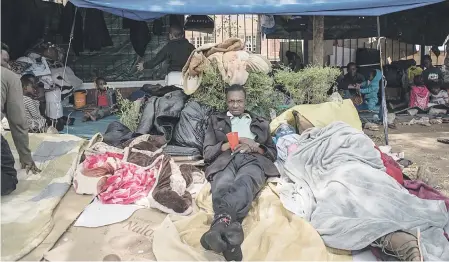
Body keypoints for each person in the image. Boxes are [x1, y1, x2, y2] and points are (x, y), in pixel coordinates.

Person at [201, 84, 279, 261]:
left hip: (252, 159)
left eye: (239, 101)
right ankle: (230, 238)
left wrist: (255, 146)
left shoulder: (260, 122)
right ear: (226, 101)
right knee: (222, 185)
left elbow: (272, 153)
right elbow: (207, 153)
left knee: (245, 182)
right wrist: (232, 143)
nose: (235, 105)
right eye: (231, 101)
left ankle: (219, 226)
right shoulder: (216, 121)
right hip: (225, 159)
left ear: (245, 102)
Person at [1, 67, 41, 196]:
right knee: (8, 179)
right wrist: (25, 157)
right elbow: (17, 121)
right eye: (5, 59)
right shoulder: (9, 76)